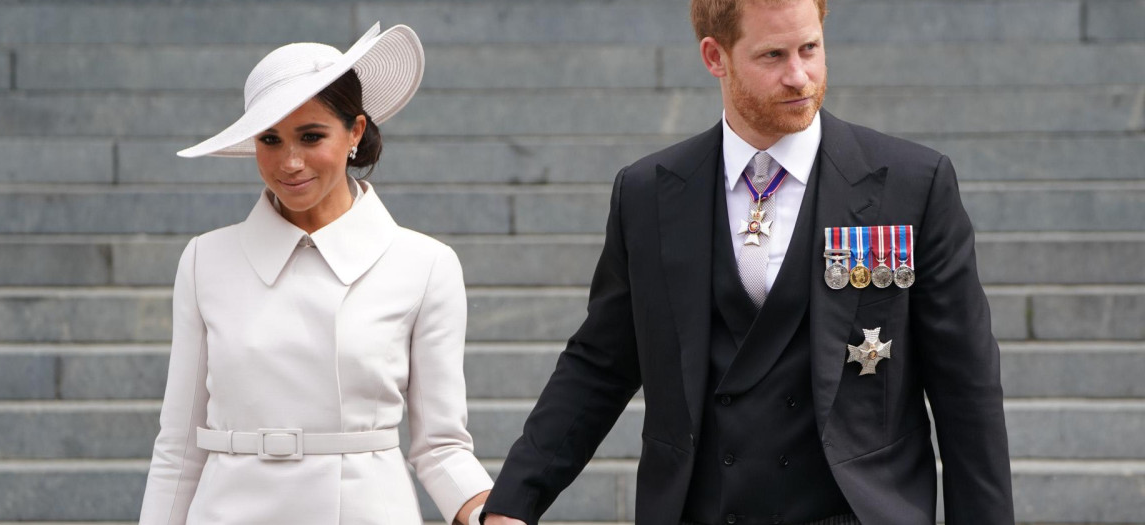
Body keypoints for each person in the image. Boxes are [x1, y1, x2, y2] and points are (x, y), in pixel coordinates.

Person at [483, 0, 1013, 524]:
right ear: (715, 57)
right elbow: (600, 362)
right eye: (773, 55)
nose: (799, 76)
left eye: (810, 48)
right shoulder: (648, 194)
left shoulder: (912, 184)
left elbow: (966, 384)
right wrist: (513, 502)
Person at [139, 23, 492, 525]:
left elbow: (441, 446)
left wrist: (490, 513)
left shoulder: (425, 264)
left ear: (355, 132)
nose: (290, 162)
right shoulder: (205, 260)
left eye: (311, 136)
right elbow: (178, 447)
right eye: (270, 139)